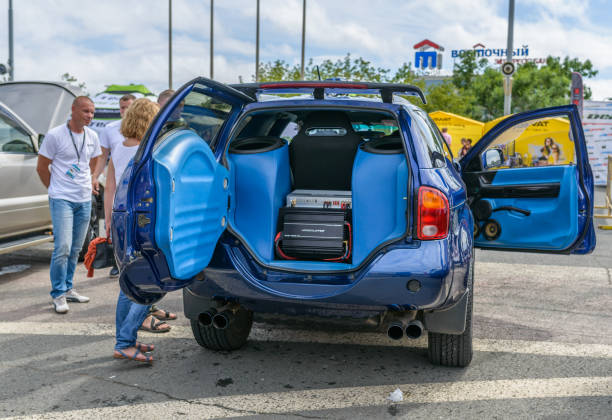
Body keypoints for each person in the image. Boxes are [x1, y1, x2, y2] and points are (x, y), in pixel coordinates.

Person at [106, 98, 163, 363]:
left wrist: (108, 222)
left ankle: (125, 341)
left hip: (122, 221)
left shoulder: (118, 148)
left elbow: (109, 188)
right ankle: (124, 341)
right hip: (145, 221)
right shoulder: (151, 150)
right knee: (153, 281)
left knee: (127, 283)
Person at [36, 96, 102, 313]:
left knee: (75, 249)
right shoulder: (55, 135)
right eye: (85, 111)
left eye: (92, 112)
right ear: (73, 110)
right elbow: (42, 167)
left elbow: (92, 162)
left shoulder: (92, 135)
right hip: (61, 198)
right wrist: (54, 189)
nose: (90, 116)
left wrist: (91, 179)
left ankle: (68, 288)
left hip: (84, 199)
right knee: (62, 247)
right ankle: (58, 294)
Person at [93, 94, 136, 278]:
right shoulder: (110, 129)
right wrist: (94, 176)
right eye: (121, 108)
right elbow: (103, 156)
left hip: (134, 187)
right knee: (113, 225)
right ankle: (116, 262)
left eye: (128, 107)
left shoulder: (142, 128)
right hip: (115, 181)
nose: (124, 111)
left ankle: (132, 262)